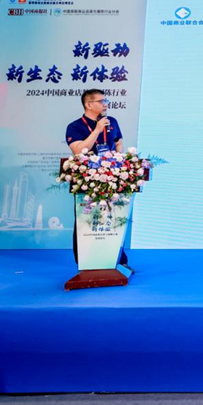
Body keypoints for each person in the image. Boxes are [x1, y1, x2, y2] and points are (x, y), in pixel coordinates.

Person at [65, 89, 131, 271]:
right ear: (88, 104)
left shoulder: (112, 121)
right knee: (86, 218)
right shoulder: (75, 126)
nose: (105, 104)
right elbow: (79, 151)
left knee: (114, 216)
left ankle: (118, 260)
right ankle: (85, 261)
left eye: (106, 100)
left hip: (112, 176)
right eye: (102, 101)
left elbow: (118, 142)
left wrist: (118, 159)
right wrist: (97, 130)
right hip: (87, 179)